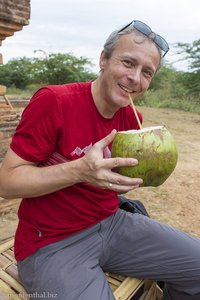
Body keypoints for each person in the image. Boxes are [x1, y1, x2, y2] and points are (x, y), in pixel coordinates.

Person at [0, 19, 200, 300]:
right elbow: (7, 183)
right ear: (103, 59)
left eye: (147, 72)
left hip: (113, 223)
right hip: (51, 241)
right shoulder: (54, 102)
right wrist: (79, 171)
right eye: (128, 63)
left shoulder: (132, 119)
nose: (135, 78)